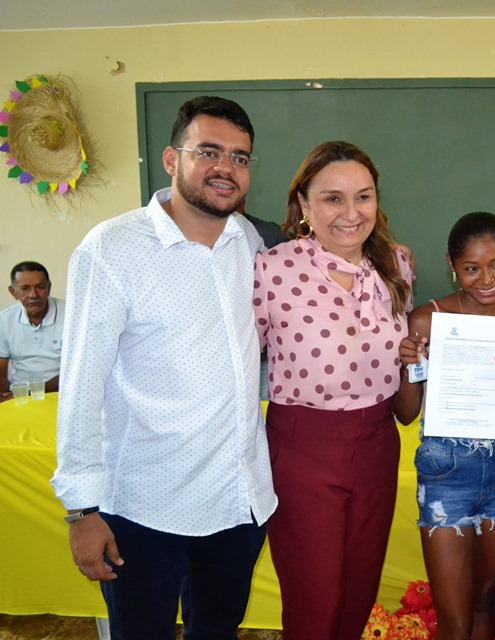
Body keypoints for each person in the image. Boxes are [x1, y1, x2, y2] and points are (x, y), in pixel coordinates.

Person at [50, 96, 278, 640]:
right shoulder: (112, 249)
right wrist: (82, 511)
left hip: (236, 499)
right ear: (172, 160)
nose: (227, 168)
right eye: (210, 152)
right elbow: (81, 384)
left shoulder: (248, 242)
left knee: (218, 630)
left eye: (241, 158)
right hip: (144, 507)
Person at [254, 141, 413, 640]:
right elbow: (236, 366)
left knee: (358, 592)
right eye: (332, 198)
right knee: (314, 600)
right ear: (304, 203)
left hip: (378, 444)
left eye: (363, 197)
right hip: (303, 450)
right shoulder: (270, 269)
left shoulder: (397, 264)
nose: (351, 213)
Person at [394, 211, 495, 640]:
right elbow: (405, 413)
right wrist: (408, 366)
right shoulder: (426, 321)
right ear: (452, 266)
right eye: (471, 268)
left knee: (483, 601)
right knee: (454, 618)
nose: (486, 278)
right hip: (445, 482)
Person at [0, 261, 63, 401]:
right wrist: (5, 398)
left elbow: (76, 369)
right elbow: (1, 372)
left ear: (49, 287)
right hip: (19, 394)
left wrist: (33, 393)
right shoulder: (4, 320)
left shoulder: (71, 315)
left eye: (40, 287)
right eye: (25, 288)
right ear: (13, 292)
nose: (33, 295)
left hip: (61, 393)